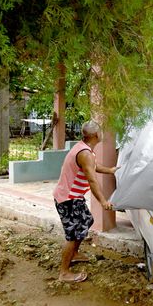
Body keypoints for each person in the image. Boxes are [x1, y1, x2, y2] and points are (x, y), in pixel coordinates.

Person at [53, 121, 118, 283]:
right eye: (101, 131)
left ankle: (74, 254)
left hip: (74, 197)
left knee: (86, 221)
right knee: (73, 234)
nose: (102, 133)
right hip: (67, 199)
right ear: (96, 135)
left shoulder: (84, 148)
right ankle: (64, 272)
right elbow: (92, 180)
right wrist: (103, 202)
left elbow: (93, 166)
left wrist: (110, 170)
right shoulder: (85, 153)